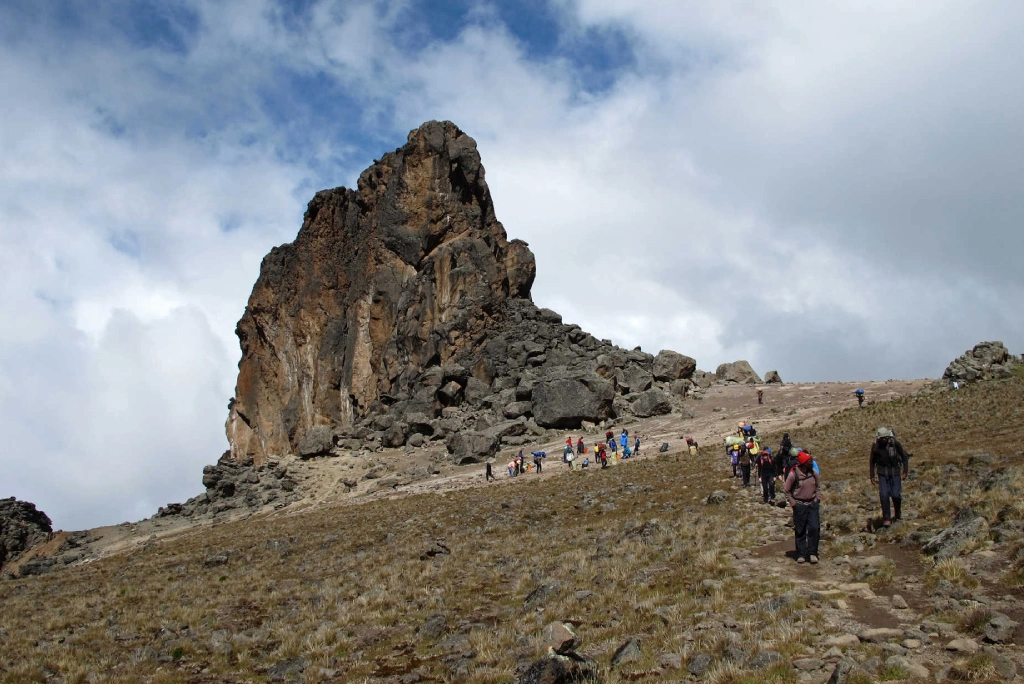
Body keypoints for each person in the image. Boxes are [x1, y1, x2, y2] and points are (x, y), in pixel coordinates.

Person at [784, 451, 821, 564]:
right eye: (810, 461)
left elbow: (818, 487)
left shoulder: (813, 473)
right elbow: (786, 490)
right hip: (799, 505)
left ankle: (812, 553)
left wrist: (817, 499)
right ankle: (801, 553)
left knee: (814, 528)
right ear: (804, 463)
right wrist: (793, 503)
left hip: (812, 504)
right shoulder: (793, 475)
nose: (812, 462)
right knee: (800, 529)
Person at [870, 427, 909, 527]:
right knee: (884, 495)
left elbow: (904, 457)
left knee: (896, 494)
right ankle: (886, 518)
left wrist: (904, 472)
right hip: (882, 473)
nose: (884, 440)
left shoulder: (895, 444)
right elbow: (872, 461)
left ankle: (897, 513)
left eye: (886, 438)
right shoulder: (875, 446)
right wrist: (872, 476)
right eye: (882, 438)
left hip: (895, 472)